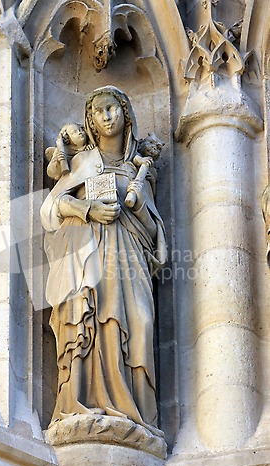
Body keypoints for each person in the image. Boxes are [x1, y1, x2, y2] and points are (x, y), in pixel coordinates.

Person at [40, 86, 167, 436]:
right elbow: (51, 208)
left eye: (113, 108)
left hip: (128, 255)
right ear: (91, 121)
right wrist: (87, 209)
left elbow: (155, 236)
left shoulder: (137, 170)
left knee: (139, 322)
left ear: (125, 114)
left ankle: (138, 416)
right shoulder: (83, 163)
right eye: (99, 111)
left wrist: (138, 203)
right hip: (87, 252)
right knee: (91, 321)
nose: (107, 116)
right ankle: (79, 402)